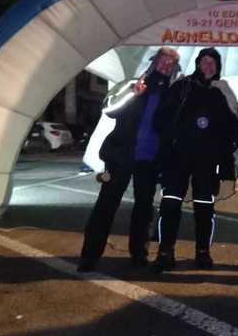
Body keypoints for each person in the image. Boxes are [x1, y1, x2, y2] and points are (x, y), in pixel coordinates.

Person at [77, 47, 181, 272]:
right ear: (154, 61)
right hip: (120, 156)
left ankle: (139, 254)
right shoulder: (133, 83)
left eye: (171, 63)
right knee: (106, 204)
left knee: (144, 209)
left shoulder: (171, 93)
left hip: (149, 160)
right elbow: (109, 109)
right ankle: (89, 256)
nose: (166, 66)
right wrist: (133, 94)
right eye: (163, 60)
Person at [152, 47, 238, 272]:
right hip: (178, 157)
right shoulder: (182, 85)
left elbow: (232, 125)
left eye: (212, 63)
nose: (208, 66)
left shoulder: (220, 92)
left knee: (205, 207)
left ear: (218, 67)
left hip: (207, 160)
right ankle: (165, 252)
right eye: (204, 62)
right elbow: (161, 116)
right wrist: (170, 142)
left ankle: (203, 252)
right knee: (170, 203)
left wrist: (226, 152)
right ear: (197, 64)